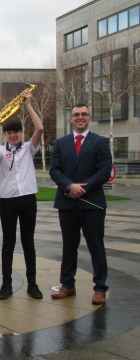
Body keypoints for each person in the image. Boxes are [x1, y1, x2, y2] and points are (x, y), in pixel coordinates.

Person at [49, 104, 111, 305]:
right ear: (71, 119)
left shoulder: (100, 142)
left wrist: (82, 188)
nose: (80, 117)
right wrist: (69, 186)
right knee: (69, 246)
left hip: (91, 202)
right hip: (67, 202)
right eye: (76, 115)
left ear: (90, 118)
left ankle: (100, 288)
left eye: (84, 114)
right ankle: (67, 284)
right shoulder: (60, 143)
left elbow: (104, 171)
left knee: (96, 246)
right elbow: (55, 170)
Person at [0, 90, 44, 300]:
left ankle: (32, 284)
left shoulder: (29, 148)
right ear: (6, 134)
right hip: (8, 201)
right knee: (8, 243)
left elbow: (39, 128)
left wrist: (27, 104)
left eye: (17, 132)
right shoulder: (2, 150)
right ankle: (6, 285)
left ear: (21, 133)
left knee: (28, 242)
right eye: (9, 133)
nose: (13, 135)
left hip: (28, 198)